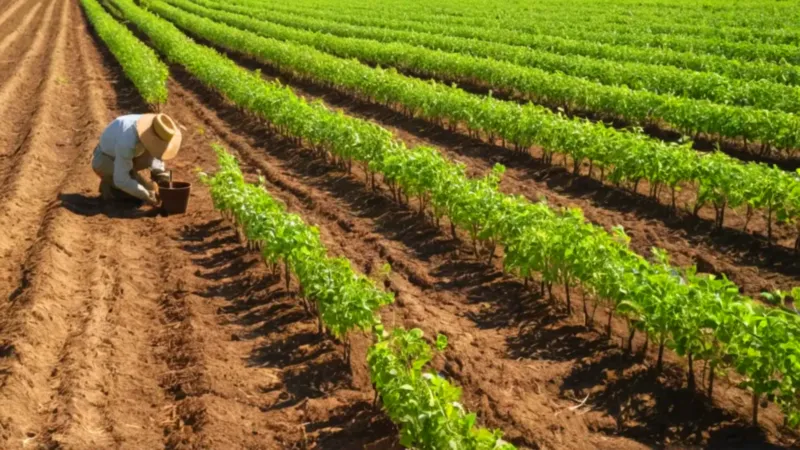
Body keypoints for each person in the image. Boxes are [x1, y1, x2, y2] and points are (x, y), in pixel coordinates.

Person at [91, 113, 182, 206]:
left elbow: (156, 152)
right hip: (104, 159)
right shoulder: (127, 142)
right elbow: (121, 180)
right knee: (137, 196)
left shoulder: (154, 127)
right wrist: (145, 195)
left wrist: (160, 172)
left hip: (124, 155)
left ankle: (122, 175)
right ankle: (109, 186)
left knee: (144, 185)